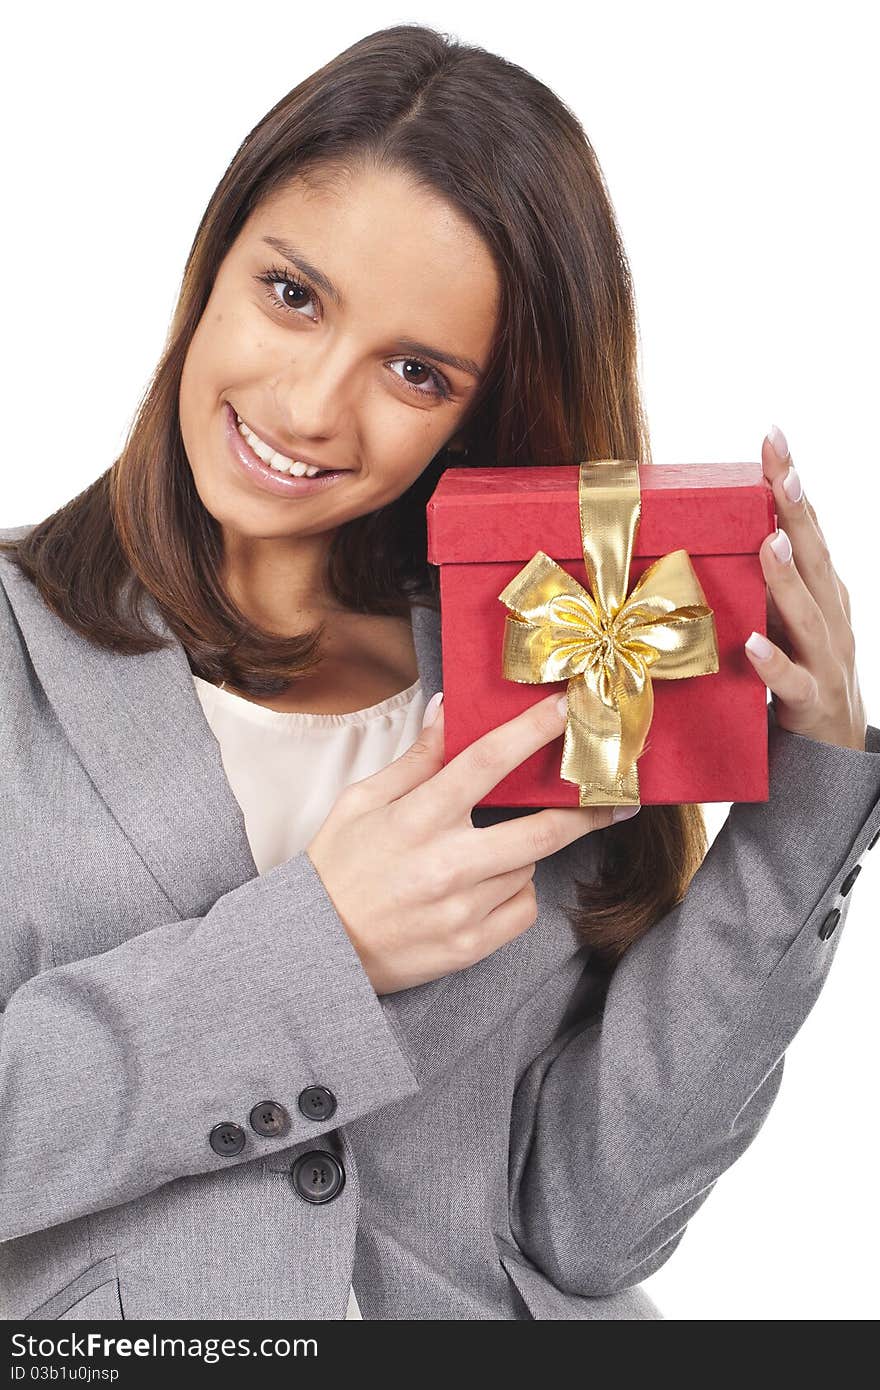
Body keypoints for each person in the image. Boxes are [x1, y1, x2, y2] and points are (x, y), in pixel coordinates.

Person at [1, 22, 878, 1323]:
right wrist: (316, 949)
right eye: (291, 295)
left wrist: (804, 797)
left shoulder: (547, 642)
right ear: (212, 265)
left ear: (484, 404)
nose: (309, 407)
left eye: (416, 371)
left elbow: (594, 1220)